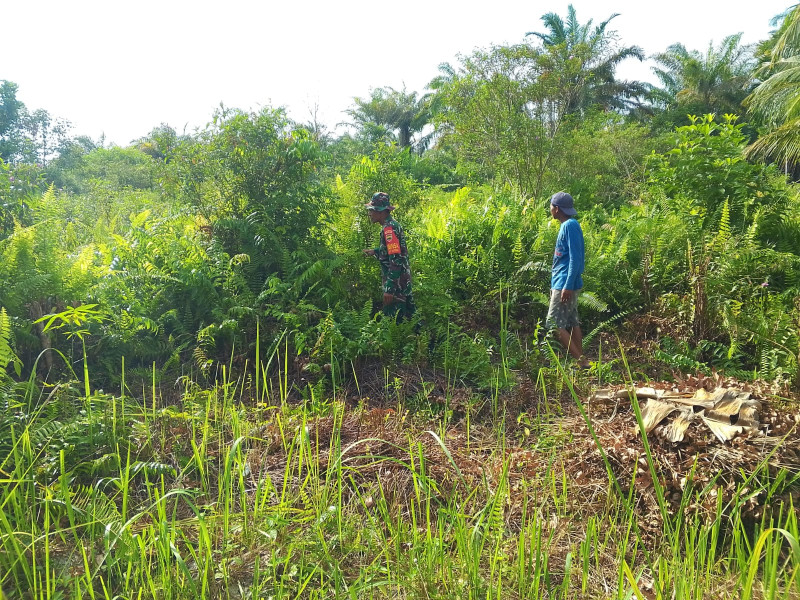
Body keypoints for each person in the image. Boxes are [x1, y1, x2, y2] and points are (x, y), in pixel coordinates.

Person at [547, 191, 590, 369]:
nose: (550, 209)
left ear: (557, 209)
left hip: (565, 283)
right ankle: (582, 363)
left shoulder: (569, 226)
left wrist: (566, 285)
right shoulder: (571, 225)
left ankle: (582, 361)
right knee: (572, 322)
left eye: (551, 206)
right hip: (565, 282)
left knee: (553, 323)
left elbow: (575, 258)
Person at [363, 192, 416, 320]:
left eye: (372, 210)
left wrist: (389, 289)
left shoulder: (389, 230)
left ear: (381, 212)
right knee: (411, 317)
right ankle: (423, 338)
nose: (369, 213)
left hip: (397, 284)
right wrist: (375, 251)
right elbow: (394, 251)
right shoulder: (392, 225)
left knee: (394, 321)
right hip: (403, 280)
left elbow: (396, 259)